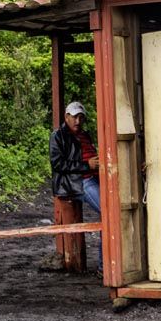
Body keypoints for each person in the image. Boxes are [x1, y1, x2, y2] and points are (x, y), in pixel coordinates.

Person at [49, 101, 101, 265]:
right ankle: (104, 266)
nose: (78, 121)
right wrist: (87, 165)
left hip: (94, 178)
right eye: (74, 117)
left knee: (113, 211)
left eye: (81, 117)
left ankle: (106, 265)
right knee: (109, 213)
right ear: (66, 117)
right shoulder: (58, 136)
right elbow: (58, 164)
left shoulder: (84, 135)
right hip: (79, 181)